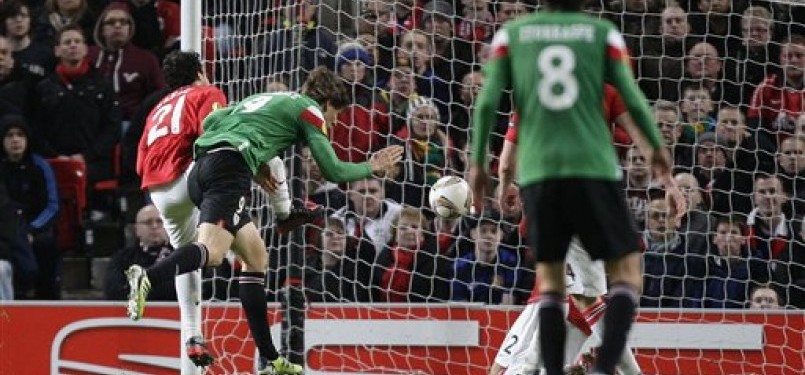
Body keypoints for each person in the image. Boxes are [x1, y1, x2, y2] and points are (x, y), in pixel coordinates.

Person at [126, 66, 403, 375]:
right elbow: (334, 172)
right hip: (228, 172)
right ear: (327, 103)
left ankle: (271, 359)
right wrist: (371, 166)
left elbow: (213, 121)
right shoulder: (310, 111)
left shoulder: (265, 97)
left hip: (205, 167)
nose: (335, 122)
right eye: (336, 115)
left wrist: (255, 161)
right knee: (213, 253)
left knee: (256, 256)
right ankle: (148, 277)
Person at [469, 1, 685, 374]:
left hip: (542, 185)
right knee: (625, 276)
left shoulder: (517, 47)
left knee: (554, 288)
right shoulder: (602, 41)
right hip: (594, 181)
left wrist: (491, 175)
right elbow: (638, 114)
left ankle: (575, 365)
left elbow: (489, 107)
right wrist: (667, 179)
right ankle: (605, 365)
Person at [135, 51, 318, 372]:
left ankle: (198, 337)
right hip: (189, 173)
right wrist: (254, 165)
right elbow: (215, 133)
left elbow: (140, 157)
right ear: (201, 72)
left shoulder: (157, 109)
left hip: (157, 187)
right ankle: (285, 212)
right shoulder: (207, 92)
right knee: (214, 249)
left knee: (251, 255)